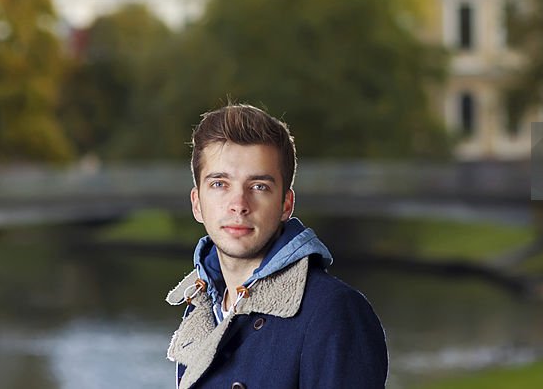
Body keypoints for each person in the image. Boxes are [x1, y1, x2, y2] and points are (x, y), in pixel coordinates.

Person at [165, 103, 389, 388]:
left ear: (286, 204)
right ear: (197, 203)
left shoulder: (333, 312)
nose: (239, 205)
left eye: (259, 186)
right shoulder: (202, 307)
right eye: (220, 184)